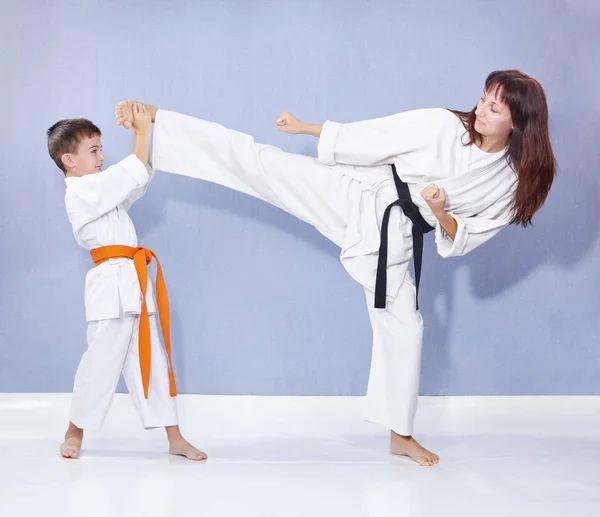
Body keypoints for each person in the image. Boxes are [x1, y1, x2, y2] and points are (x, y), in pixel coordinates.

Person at [116, 70, 555, 466]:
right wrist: (307, 127)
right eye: (482, 98)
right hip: (356, 192)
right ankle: (163, 124)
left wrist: (439, 211)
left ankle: (400, 435)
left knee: (406, 327)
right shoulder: (444, 125)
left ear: (518, 123)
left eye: (494, 107)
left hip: (395, 236)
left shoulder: (507, 182)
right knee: (262, 163)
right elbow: (378, 136)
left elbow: (464, 236)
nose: (480, 109)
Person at [47, 103, 206, 461]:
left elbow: (137, 179)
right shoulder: (81, 193)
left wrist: (141, 132)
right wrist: (141, 131)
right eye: (93, 150)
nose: (101, 156)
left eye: (101, 148)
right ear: (69, 160)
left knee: (153, 361)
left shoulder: (102, 190)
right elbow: (126, 177)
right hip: (109, 287)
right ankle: (74, 431)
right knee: (99, 362)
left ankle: (174, 437)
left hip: (135, 282)